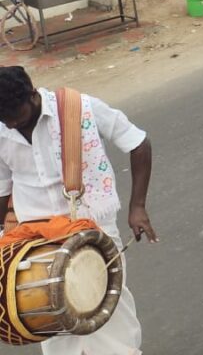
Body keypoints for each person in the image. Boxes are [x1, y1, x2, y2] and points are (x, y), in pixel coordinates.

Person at [0, 66, 155, 355]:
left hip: (91, 225)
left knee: (106, 307)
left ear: (32, 95)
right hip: (36, 237)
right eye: (5, 120)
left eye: (17, 117)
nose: (12, 125)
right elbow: (1, 187)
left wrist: (137, 207)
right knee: (50, 316)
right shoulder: (3, 126)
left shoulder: (80, 108)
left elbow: (137, 143)